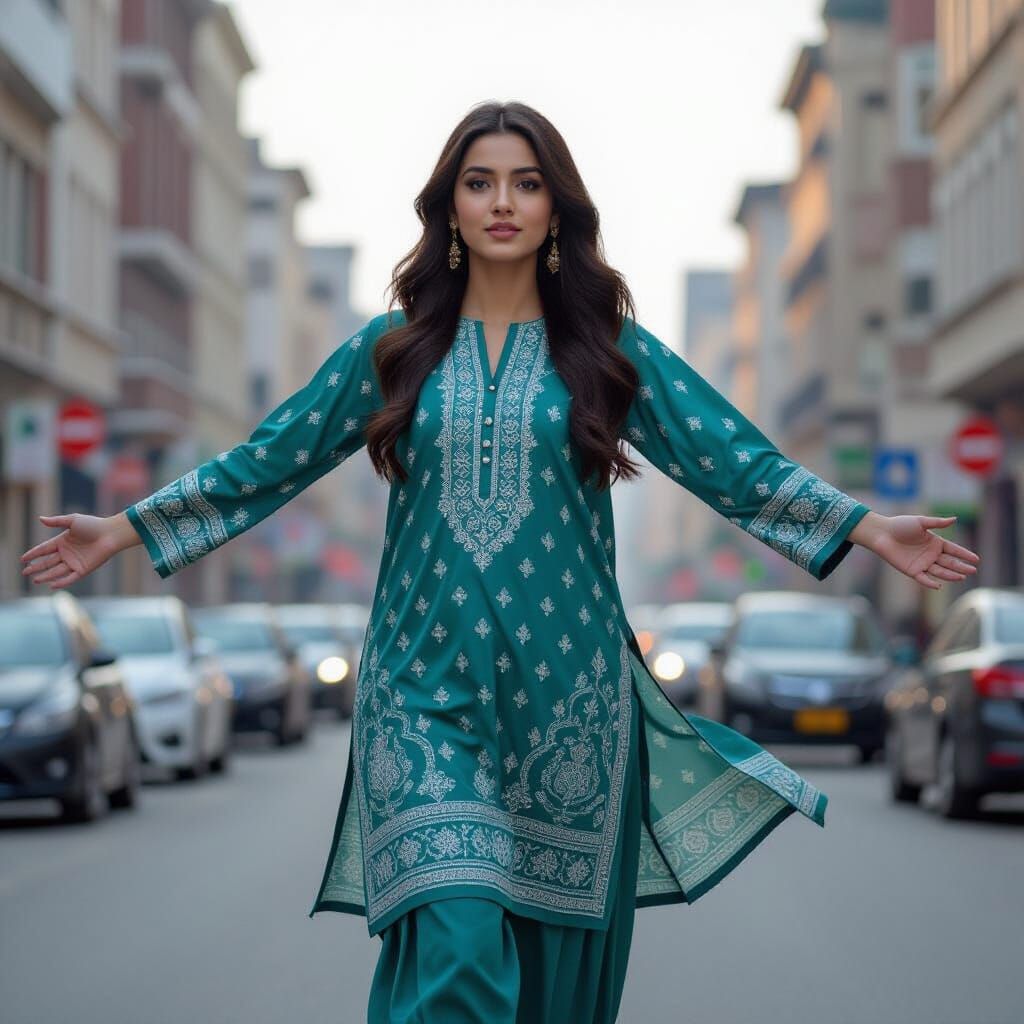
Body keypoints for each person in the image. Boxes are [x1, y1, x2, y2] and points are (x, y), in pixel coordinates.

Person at [19, 100, 981, 1023]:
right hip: (421, 691)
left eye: (525, 183)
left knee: (549, 978)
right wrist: (128, 528)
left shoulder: (602, 350)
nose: (503, 202)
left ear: (556, 205)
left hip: (568, 699)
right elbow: (270, 457)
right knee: (459, 938)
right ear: (451, 208)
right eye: (479, 183)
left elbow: (730, 457)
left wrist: (860, 524)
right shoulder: (394, 351)